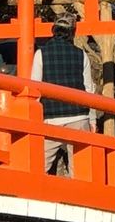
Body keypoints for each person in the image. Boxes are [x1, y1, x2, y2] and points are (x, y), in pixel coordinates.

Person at [31, 13, 95, 176]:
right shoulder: (81, 55)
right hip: (79, 116)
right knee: (80, 171)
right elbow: (89, 90)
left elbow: (34, 89)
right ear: (73, 31)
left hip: (51, 117)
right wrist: (92, 119)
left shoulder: (41, 54)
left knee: (39, 168)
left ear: (54, 30)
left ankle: (38, 198)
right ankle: (80, 200)